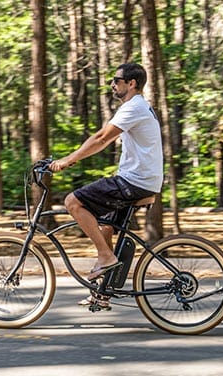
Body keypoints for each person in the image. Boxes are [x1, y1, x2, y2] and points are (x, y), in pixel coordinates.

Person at [49, 62, 164, 287]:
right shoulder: (139, 106)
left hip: (135, 181)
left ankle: (105, 256)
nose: (112, 85)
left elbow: (102, 138)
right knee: (106, 227)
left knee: (72, 202)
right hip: (142, 180)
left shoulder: (134, 107)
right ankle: (104, 291)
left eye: (116, 80)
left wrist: (67, 160)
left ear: (131, 83)